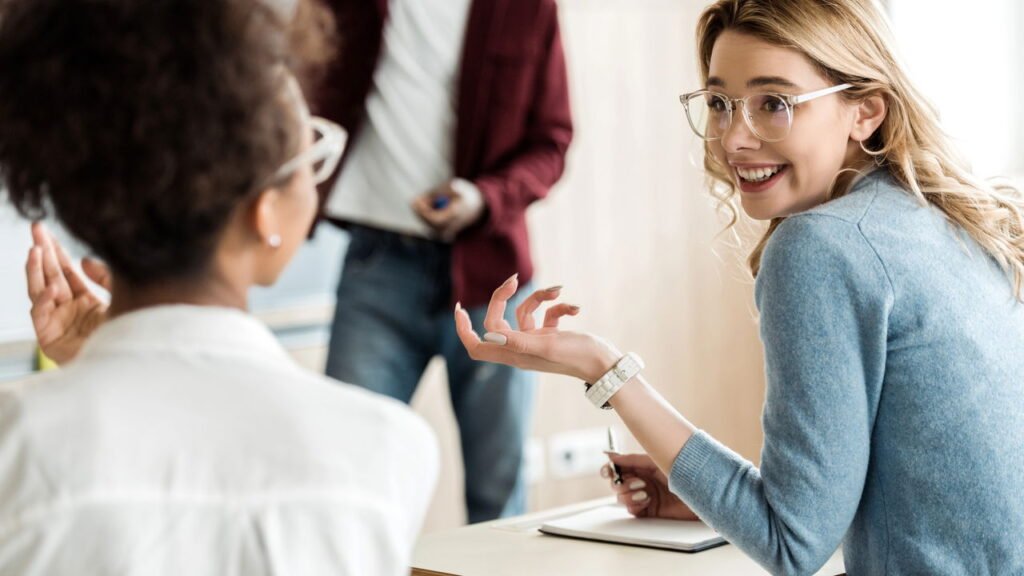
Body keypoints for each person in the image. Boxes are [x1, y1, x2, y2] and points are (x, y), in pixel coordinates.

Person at [453, 0, 1024, 574]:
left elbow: (792, 545)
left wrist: (606, 370)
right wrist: (711, 494)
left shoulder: (822, 247)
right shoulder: (949, 221)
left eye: (774, 103)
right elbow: (922, 490)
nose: (733, 138)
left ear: (865, 112)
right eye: (721, 103)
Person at [0, 0, 437, 574]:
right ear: (264, 211)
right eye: (312, 151)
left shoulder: (17, 444)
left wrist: (98, 369)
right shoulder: (384, 450)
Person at [313, 0, 572, 522]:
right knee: (342, 481)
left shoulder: (528, 8)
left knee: (498, 493)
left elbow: (552, 140)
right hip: (376, 268)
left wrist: (482, 199)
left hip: (490, 272)